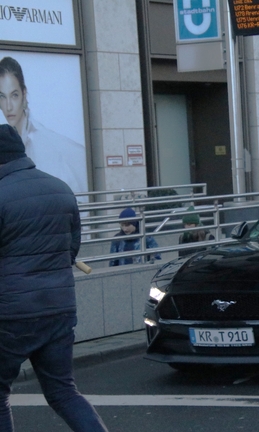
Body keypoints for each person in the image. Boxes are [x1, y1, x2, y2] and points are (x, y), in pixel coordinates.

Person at [0, 124, 108, 431]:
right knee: (63, 391)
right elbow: (71, 250)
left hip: (11, 313)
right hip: (59, 308)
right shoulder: (60, 188)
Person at [0, 56, 87, 195]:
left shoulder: (50, 145)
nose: (8, 106)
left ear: (24, 94)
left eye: (14, 95)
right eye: (2, 96)